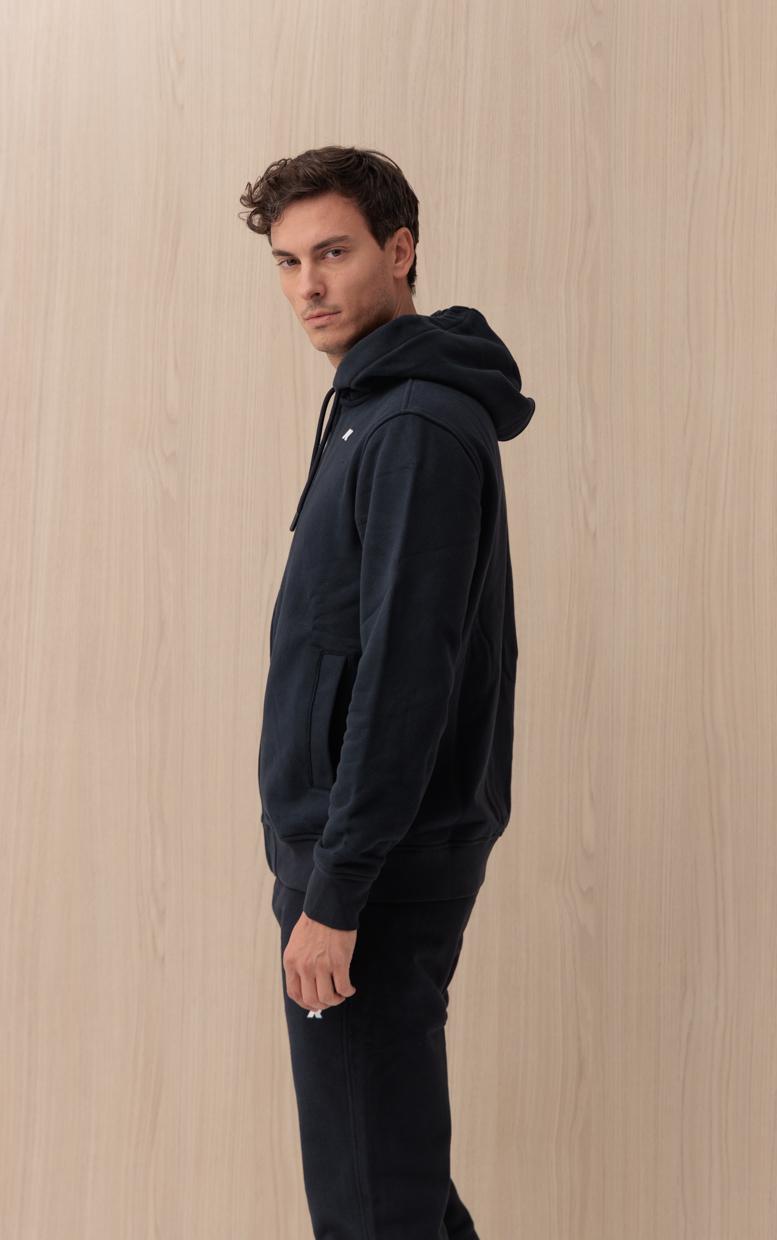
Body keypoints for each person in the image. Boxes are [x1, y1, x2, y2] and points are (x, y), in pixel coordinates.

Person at [239, 145, 535, 1240]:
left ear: (399, 250)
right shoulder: (373, 405)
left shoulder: (409, 426)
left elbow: (408, 678)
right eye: (287, 262)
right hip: (357, 853)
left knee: (373, 1203)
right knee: (391, 1182)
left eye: (333, 253)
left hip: (370, 867)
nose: (307, 286)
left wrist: (337, 891)